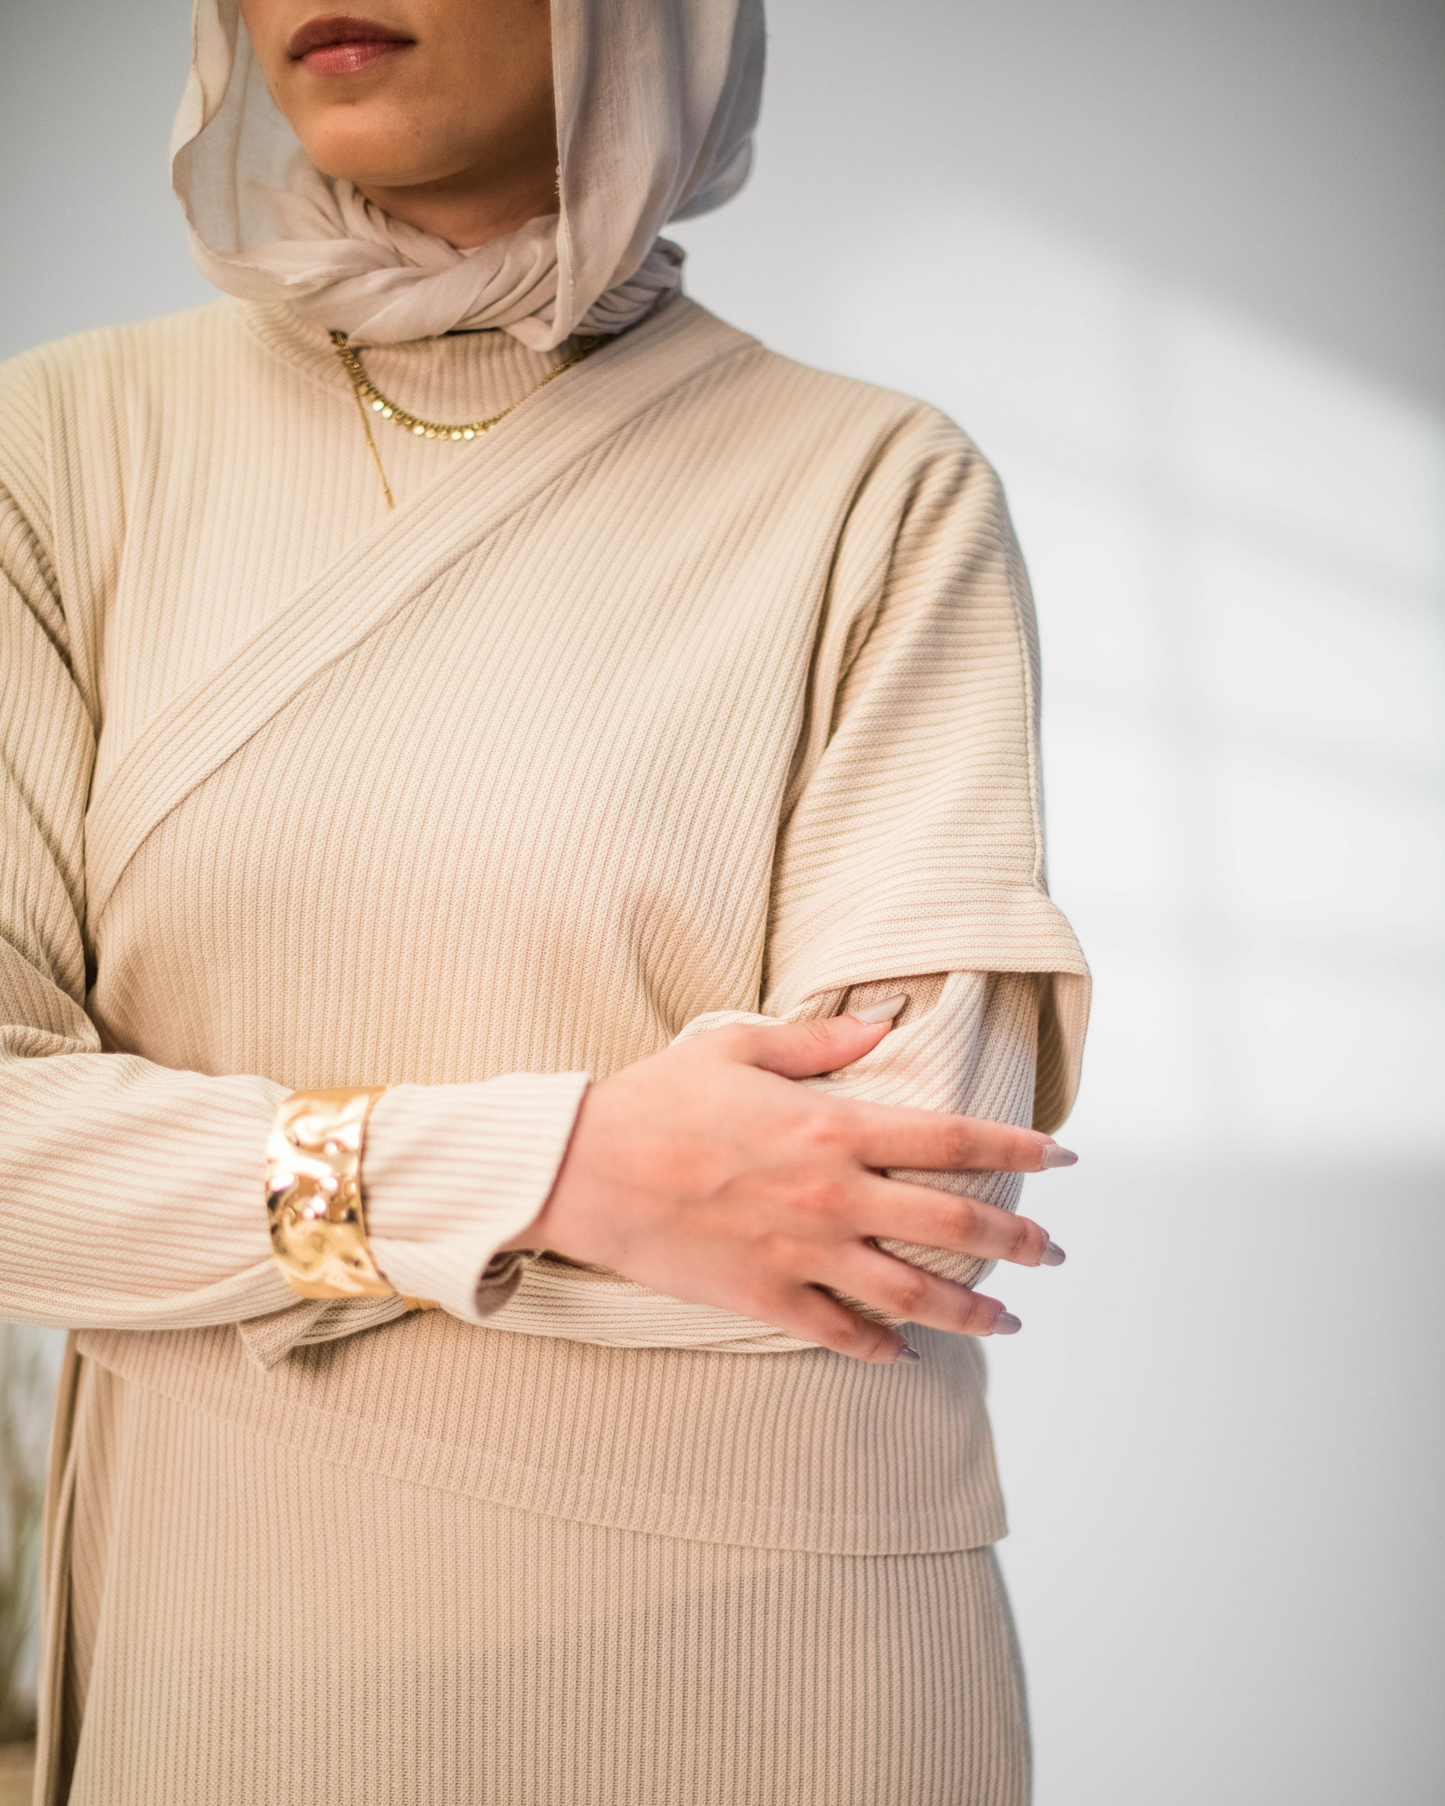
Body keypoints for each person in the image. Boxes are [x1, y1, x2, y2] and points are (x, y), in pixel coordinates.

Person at [0, 0, 1090, 1799]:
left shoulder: (874, 491)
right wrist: (570, 1166)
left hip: (773, 1656)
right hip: (232, 1644)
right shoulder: (62, 458)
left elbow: (886, 1202)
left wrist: (184, 1215)